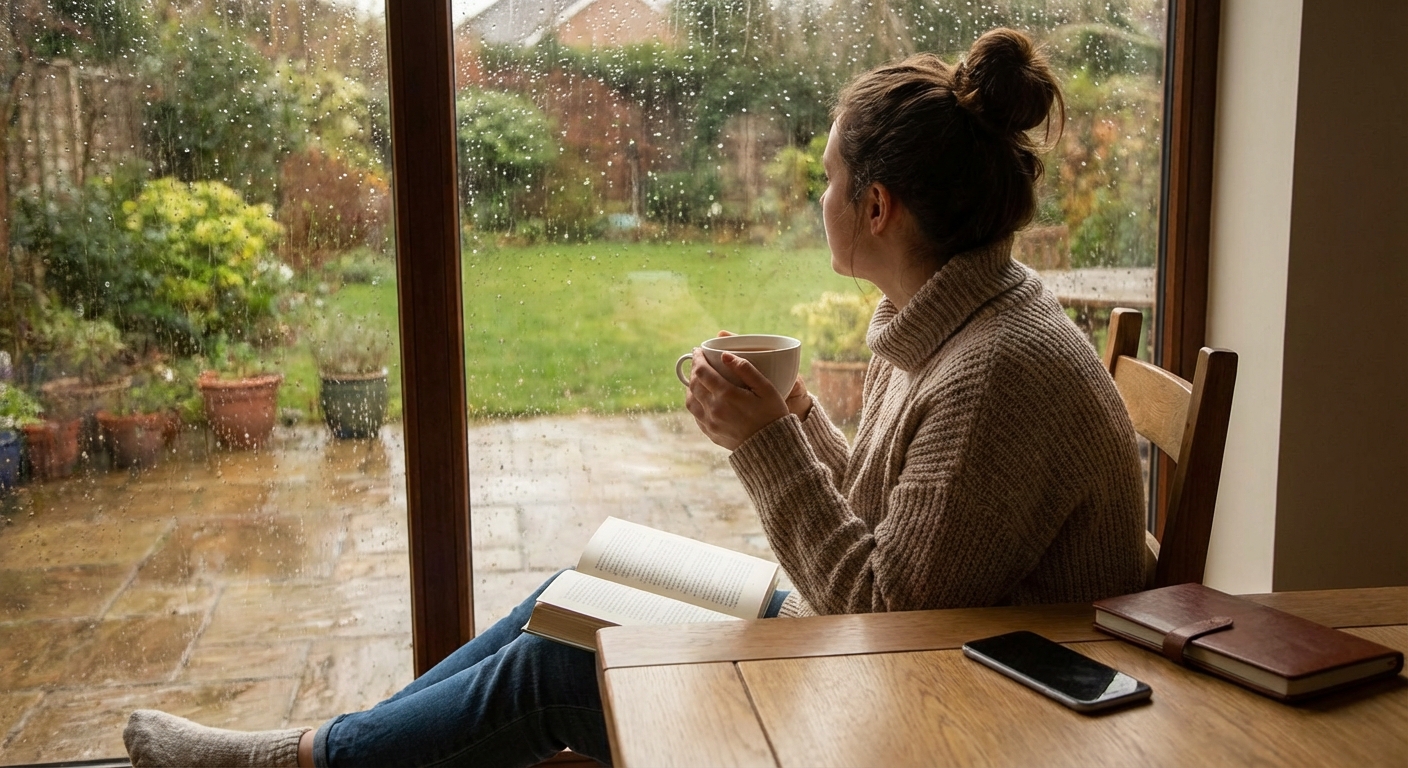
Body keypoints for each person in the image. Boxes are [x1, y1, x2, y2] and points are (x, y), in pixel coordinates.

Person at [123, 27, 1145, 768]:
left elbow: (882, 611)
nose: (814, 196)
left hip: (954, 711)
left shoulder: (993, 372)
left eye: (826, 180)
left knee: (566, 668)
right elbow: (911, 531)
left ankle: (307, 763)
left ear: (876, 206)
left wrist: (766, 449)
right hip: (898, 647)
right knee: (578, 588)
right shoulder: (949, 313)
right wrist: (796, 421)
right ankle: (335, 752)